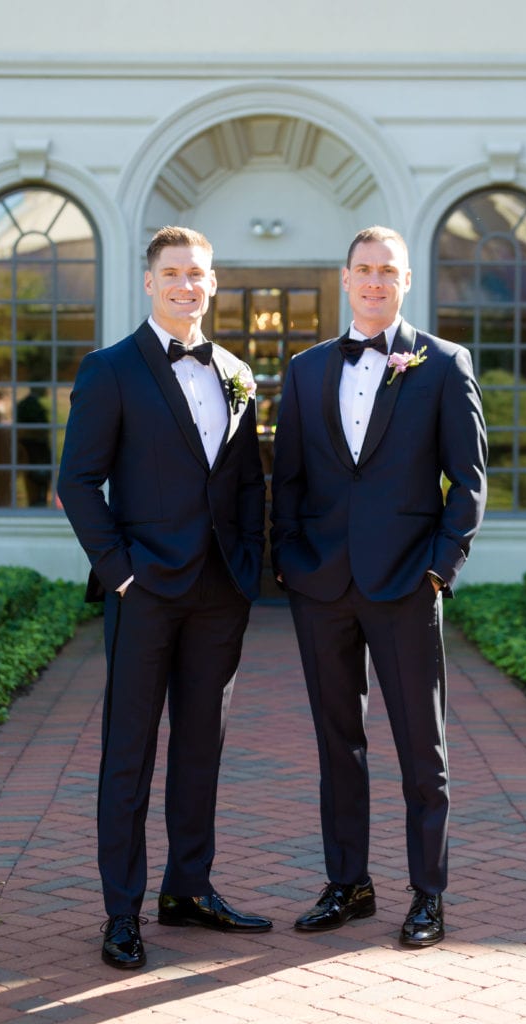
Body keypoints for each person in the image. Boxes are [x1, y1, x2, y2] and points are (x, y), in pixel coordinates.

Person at [58, 225, 271, 971]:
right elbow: (76, 481)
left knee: (201, 748)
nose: (187, 285)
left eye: (199, 274)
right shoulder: (110, 370)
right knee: (129, 752)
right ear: (149, 282)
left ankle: (189, 889)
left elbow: (246, 481)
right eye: (174, 272)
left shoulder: (237, 372)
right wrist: (118, 572)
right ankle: (122, 912)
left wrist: (248, 567)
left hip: (220, 591)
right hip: (143, 588)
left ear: (213, 285)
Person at [271, 225, 487, 948]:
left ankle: (428, 896)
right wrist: (290, 563)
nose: (373, 281)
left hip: (403, 585)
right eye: (363, 269)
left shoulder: (442, 364)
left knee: (422, 751)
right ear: (344, 277)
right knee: (338, 745)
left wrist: (437, 570)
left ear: (404, 281)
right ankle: (348, 884)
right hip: (322, 587)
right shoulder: (303, 370)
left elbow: (469, 484)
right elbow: (289, 478)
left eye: (386, 271)